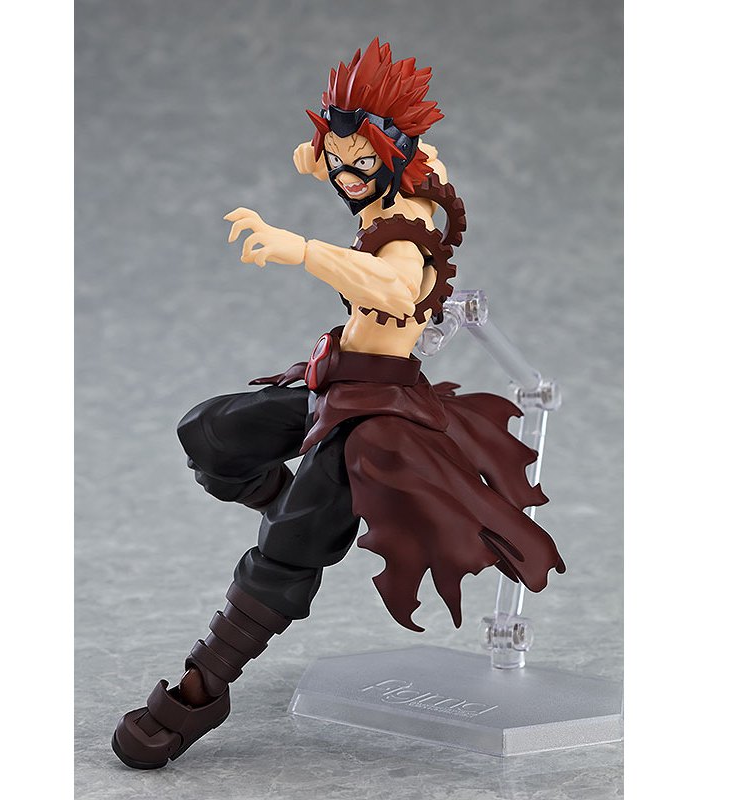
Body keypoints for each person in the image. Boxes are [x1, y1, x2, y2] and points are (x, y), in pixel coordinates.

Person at [112, 38, 564, 770]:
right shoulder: (394, 173)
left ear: (395, 159)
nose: (347, 179)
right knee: (211, 432)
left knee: (286, 553)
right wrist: (325, 150)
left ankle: (202, 688)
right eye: (338, 164)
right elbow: (370, 156)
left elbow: (394, 288)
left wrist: (301, 249)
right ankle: (280, 502)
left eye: (362, 166)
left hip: (378, 415)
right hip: (334, 383)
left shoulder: (408, 232)